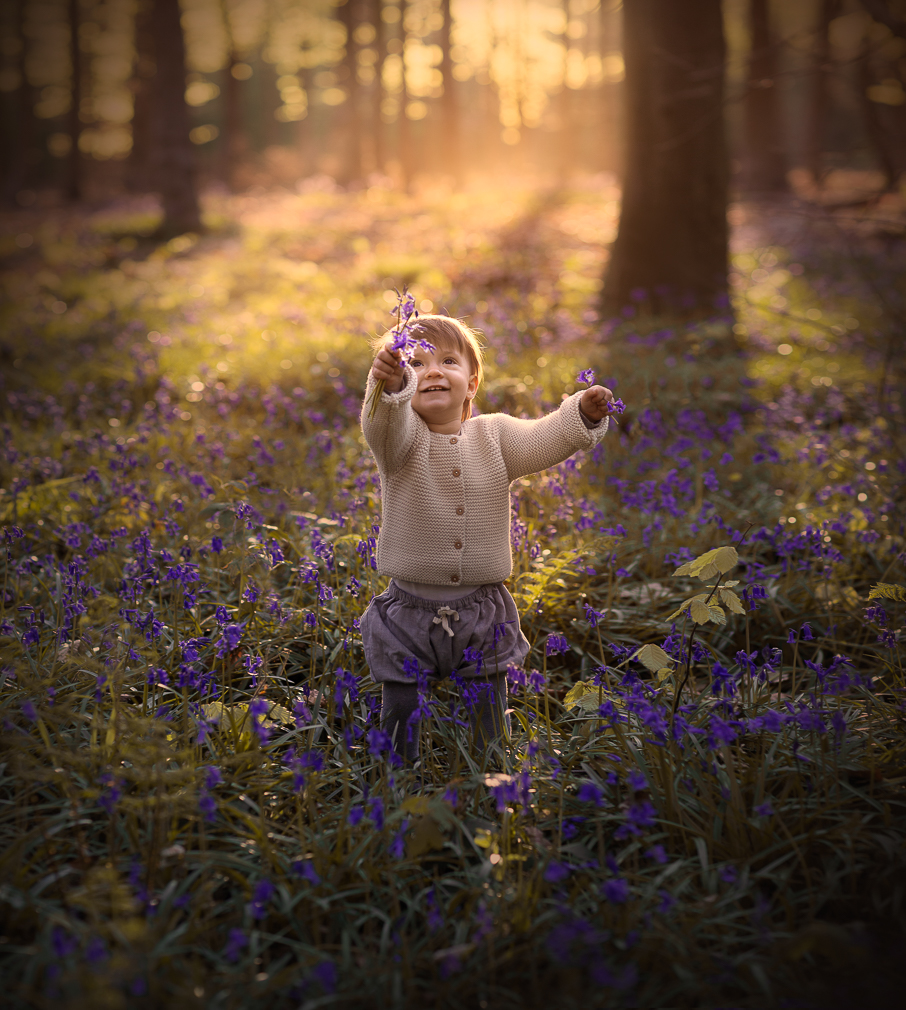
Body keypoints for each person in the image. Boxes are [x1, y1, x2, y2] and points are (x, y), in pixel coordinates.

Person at [360, 314, 613, 761]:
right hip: (407, 611)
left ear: (472, 383)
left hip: (482, 607)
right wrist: (388, 388)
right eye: (416, 363)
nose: (433, 370)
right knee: (401, 703)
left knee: (488, 702)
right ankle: (396, 776)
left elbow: (543, 437)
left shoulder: (494, 435)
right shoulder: (399, 443)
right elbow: (381, 424)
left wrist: (580, 413)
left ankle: (489, 771)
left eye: (449, 360)